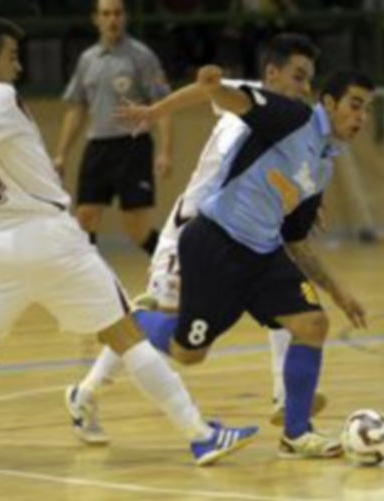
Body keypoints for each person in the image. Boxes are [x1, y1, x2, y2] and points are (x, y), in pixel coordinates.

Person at [0, 15, 257, 479]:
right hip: (50, 239)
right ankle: (200, 435)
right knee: (125, 336)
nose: (18, 67)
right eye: (12, 57)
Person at [66, 33, 328, 446]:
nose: (305, 89)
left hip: (238, 234)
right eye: (298, 77)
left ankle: (282, 394)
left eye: (309, 79)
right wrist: (154, 112)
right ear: (272, 73)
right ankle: (85, 394)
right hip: (193, 229)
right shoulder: (250, 103)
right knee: (164, 327)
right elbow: (210, 91)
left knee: (284, 298)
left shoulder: (292, 117)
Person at [116, 65, 374, 458]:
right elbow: (225, 96)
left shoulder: (322, 166)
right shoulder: (293, 118)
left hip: (264, 254)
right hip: (216, 243)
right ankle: (133, 319)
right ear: (329, 103)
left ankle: (297, 434)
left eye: (367, 110)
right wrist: (158, 111)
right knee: (188, 352)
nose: (362, 117)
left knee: (312, 324)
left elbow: (297, 241)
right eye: (355, 106)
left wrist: (340, 293)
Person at [53, 0, 171, 254]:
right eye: (106, 14)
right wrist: (62, 153)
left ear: (125, 17)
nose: (112, 20)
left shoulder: (141, 56)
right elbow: (77, 109)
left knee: (136, 230)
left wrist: (165, 151)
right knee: (84, 218)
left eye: (117, 13)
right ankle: (93, 287)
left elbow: (161, 105)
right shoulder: (87, 59)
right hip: (98, 147)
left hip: (133, 146)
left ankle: (178, 267)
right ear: (96, 19)